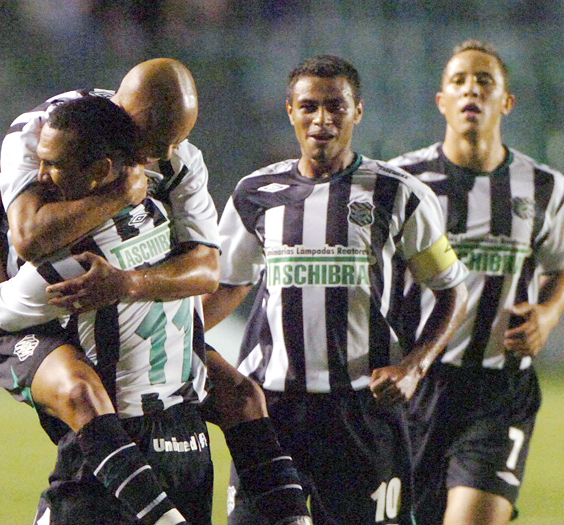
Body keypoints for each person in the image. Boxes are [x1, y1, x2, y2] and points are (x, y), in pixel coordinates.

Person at [0, 60, 311, 525]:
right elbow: (30, 238)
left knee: (234, 395)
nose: (163, 154)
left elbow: (207, 270)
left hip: (100, 293)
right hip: (47, 319)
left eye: (174, 140)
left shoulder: (173, 160)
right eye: (154, 141)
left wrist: (127, 284)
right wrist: (116, 199)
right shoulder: (36, 135)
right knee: (86, 390)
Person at [201, 54, 469, 525]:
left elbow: (452, 291)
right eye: (308, 107)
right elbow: (230, 285)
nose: (321, 120)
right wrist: (175, 337)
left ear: (357, 112)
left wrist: (413, 368)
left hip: (362, 409)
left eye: (335, 107)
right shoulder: (255, 193)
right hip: (272, 408)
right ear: (291, 111)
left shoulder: (397, 193)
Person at [388, 40, 564, 525]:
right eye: (459, 81)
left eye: (484, 81)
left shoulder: (546, 189)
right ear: (442, 101)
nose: (471, 89)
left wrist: (547, 315)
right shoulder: (403, 182)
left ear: (506, 101)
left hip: (499, 388)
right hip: (415, 383)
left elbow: (562, 268)